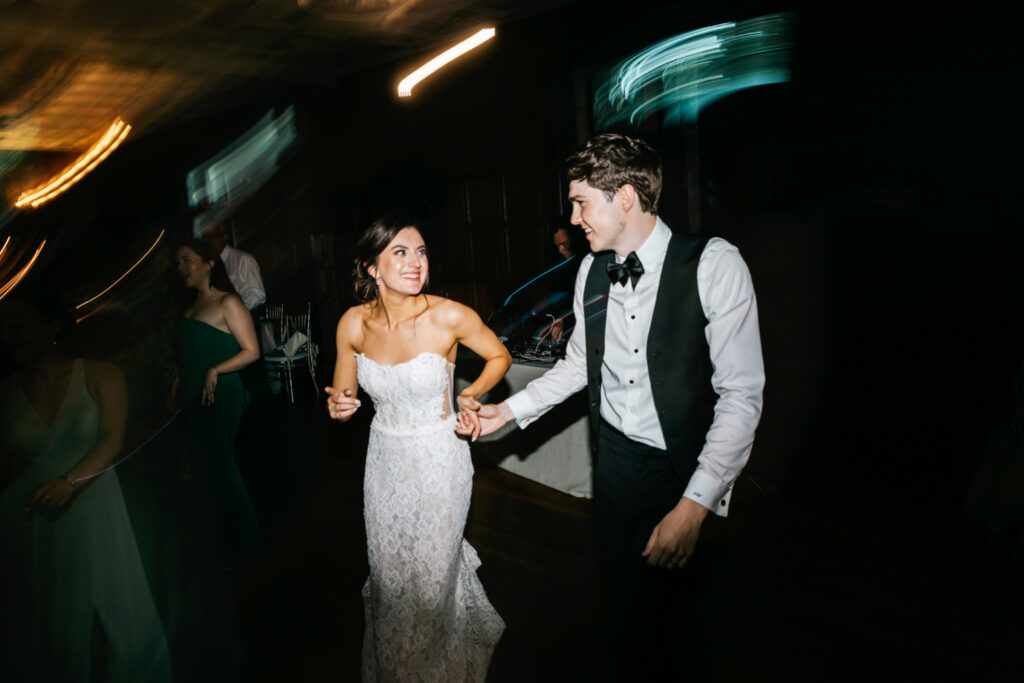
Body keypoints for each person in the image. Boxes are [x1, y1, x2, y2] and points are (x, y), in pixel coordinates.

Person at [465, 133, 765, 679]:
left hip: (684, 470)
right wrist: (507, 412)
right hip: (616, 468)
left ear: (624, 196)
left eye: (582, 202)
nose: (574, 216)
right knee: (625, 611)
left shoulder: (715, 265)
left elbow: (742, 397)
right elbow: (579, 366)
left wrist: (695, 504)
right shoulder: (590, 270)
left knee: (685, 623)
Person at [325, 216, 510, 682]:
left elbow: (498, 356)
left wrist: (473, 394)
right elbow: (343, 396)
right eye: (400, 252)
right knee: (390, 578)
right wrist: (339, 407)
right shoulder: (353, 323)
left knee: (429, 579)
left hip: (439, 458)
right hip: (384, 461)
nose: (416, 262)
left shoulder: (449, 315)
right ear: (371, 268)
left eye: (422, 251)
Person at [0, 295, 172, 682]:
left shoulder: (99, 374)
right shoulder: (5, 392)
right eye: (3, 328)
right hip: (27, 513)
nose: (8, 336)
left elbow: (112, 439)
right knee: (42, 617)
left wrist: (70, 481)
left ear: (51, 327)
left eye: (18, 324)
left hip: (93, 498)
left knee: (119, 610)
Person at [170, 239, 262, 566]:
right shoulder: (189, 309)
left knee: (217, 465)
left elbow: (252, 351)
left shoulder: (228, 303)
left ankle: (243, 546)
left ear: (209, 264)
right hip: (193, 397)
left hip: (221, 395)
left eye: (187, 260)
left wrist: (216, 370)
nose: (181, 268)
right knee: (205, 468)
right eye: (179, 262)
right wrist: (179, 381)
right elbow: (187, 356)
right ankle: (226, 544)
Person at [202, 221, 266, 312]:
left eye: (210, 238)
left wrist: (233, 312)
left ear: (224, 237)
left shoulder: (242, 259)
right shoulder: (208, 266)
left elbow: (256, 295)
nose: (208, 243)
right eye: (204, 239)